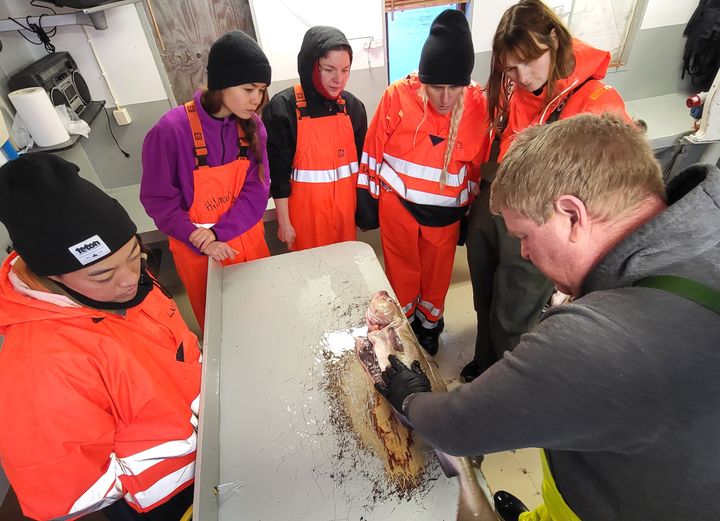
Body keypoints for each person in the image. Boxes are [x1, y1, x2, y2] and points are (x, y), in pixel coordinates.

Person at [374, 113, 720, 521]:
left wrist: (411, 397)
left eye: (524, 236)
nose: (523, 253)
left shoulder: (600, 339)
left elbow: (458, 428)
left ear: (572, 216)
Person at [0, 154, 201, 521]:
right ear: (52, 275)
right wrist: (191, 457)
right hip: (163, 499)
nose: (128, 279)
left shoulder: (130, 283)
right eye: (101, 275)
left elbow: (179, 352)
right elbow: (67, 495)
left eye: (134, 255)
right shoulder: (39, 367)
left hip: (207, 451)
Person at [461, 0, 630, 382]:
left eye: (527, 62)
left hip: (541, 218)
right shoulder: (509, 88)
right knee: (484, 295)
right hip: (493, 200)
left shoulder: (595, 103)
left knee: (514, 312)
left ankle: (505, 384)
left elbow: (615, 193)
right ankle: (485, 359)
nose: (520, 76)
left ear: (553, 39)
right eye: (510, 68)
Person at [357, 9, 488, 355]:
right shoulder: (397, 96)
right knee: (401, 273)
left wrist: (469, 215)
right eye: (436, 87)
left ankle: (429, 327)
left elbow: (476, 167)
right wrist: (366, 199)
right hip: (397, 206)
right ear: (423, 81)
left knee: (436, 276)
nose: (445, 97)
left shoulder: (479, 106)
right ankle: (403, 327)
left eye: (453, 88)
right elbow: (372, 150)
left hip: (445, 216)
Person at [141, 30, 271, 331]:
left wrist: (221, 232)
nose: (257, 99)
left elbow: (257, 189)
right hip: (197, 249)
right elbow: (158, 199)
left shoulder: (254, 128)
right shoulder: (170, 130)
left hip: (247, 239)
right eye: (249, 88)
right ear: (221, 84)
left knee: (262, 313)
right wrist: (198, 236)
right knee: (220, 326)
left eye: (261, 90)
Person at [263, 26, 367, 251]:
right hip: (305, 223)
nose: (338, 79)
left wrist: (362, 212)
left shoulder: (353, 108)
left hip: (345, 218)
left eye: (345, 69)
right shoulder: (283, 109)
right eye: (329, 69)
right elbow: (278, 175)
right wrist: (284, 223)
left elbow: (362, 165)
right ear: (311, 66)